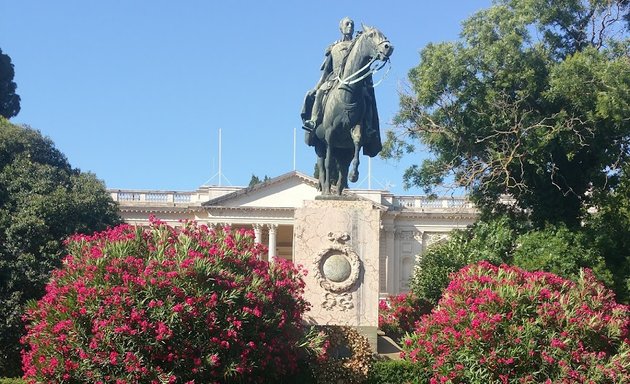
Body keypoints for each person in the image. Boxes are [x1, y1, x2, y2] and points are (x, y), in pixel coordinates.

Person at [303, 17, 355, 132]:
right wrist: (316, 87)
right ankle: (314, 120)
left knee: (367, 96)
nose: (350, 26)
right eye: (347, 24)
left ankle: (368, 127)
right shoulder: (334, 47)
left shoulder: (356, 46)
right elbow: (326, 70)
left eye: (352, 24)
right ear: (341, 28)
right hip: (334, 79)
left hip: (354, 80)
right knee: (321, 92)